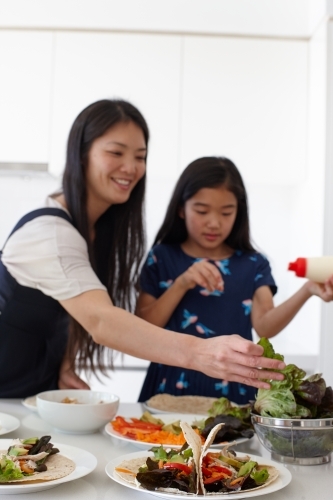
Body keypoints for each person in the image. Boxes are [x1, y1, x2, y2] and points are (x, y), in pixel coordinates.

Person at [0, 102, 287, 399]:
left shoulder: (93, 231)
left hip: (29, 398)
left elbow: (67, 309)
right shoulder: (50, 234)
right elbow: (100, 320)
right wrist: (202, 352)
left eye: (140, 156)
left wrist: (64, 360)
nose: (131, 167)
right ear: (81, 155)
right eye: (116, 152)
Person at [136, 156, 333, 404]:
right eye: (201, 210)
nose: (214, 222)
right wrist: (182, 283)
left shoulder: (253, 264)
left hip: (234, 394)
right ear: (181, 209)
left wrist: (307, 289)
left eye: (226, 212)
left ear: (238, 212)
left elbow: (264, 326)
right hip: (167, 391)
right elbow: (143, 327)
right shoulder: (161, 258)